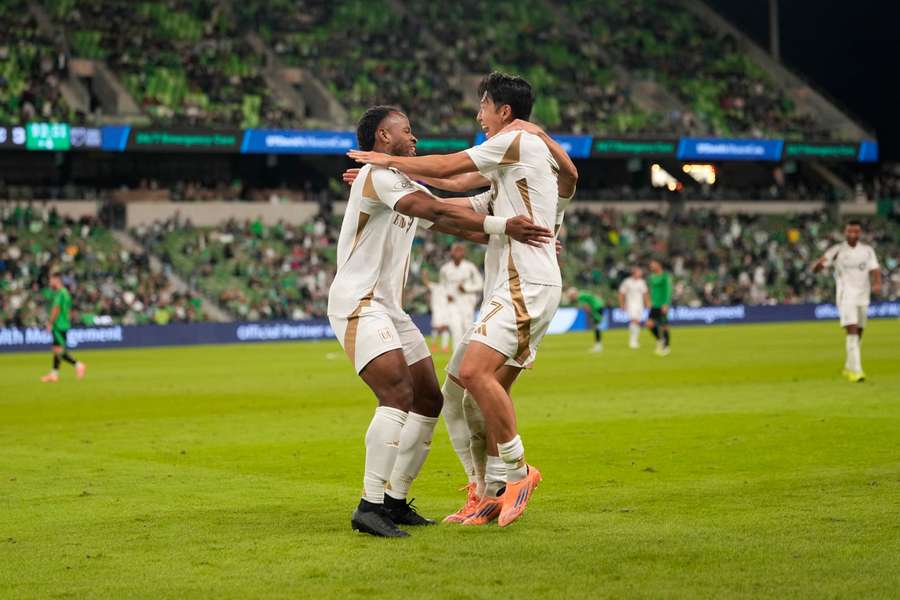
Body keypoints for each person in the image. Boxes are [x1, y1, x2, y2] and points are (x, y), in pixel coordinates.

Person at [348, 71, 577, 527]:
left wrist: (386, 164)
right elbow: (454, 197)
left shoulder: (517, 142)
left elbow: (450, 167)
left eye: (484, 108)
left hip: (525, 284)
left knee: (472, 373)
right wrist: (389, 184)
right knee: (456, 392)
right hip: (509, 286)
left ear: (505, 111)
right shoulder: (514, 171)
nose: (479, 117)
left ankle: (517, 471)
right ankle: (487, 492)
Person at [811, 220, 881, 382]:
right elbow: (818, 267)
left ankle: (849, 366)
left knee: (859, 333)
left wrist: (877, 283)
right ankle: (857, 371)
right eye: (850, 231)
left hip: (864, 296)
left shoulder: (867, 251)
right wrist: (818, 265)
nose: (852, 235)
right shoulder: (837, 250)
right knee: (852, 331)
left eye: (856, 232)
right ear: (845, 232)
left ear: (860, 233)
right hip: (846, 296)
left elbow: (875, 269)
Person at [41, 273, 86, 382]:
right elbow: (68, 310)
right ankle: (54, 374)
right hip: (64, 324)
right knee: (57, 350)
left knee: (59, 350)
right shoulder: (66, 293)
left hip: (59, 325)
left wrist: (50, 323)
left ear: (56, 280)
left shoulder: (60, 293)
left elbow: (56, 309)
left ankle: (78, 365)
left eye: (51, 280)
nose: (50, 282)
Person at [439, 243, 483, 350]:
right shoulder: (445, 269)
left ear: (464, 253)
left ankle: (468, 357)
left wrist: (467, 289)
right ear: (451, 253)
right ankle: (456, 361)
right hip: (453, 304)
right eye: (455, 250)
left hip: (467, 302)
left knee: (467, 330)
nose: (457, 252)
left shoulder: (470, 267)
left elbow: (480, 284)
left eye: (460, 250)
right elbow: (442, 286)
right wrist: (446, 295)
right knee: (456, 330)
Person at [618, 267, 650, 349]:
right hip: (630, 304)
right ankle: (633, 341)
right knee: (634, 320)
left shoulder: (642, 282)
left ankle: (634, 340)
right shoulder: (627, 282)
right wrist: (622, 304)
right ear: (634, 273)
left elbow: (645, 293)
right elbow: (621, 293)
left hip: (640, 305)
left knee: (637, 321)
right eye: (639, 272)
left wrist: (647, 303)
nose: (641, 274)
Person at [646, 259, 672, 356]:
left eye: (653, 265)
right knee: (649, 324)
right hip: (654, 305)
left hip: (662, 305)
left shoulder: (665, 276)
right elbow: (650, 290)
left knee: (664, 326)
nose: (651, 266)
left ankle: (666, 347)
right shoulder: (652, 277)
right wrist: (649, 301)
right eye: (650, 265)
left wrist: (666, 304)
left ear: (659, 265)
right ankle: (660, 340)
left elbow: (668, 290)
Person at [567, 287, 606, 352]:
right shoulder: (582, 293)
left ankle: (598, 346)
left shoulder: (579, 296)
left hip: (597, 308)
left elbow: (586, 306)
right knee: (596, 327)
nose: (571, 298)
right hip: (599, 305)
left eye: (571, 296)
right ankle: (598, 345)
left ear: (573, 294)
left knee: (596, 327)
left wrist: (591, 314)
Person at [421, 270, 450, 352]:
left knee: (445, 328)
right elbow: (426, 283)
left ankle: (445, 347)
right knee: (436, 328)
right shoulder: (435, 286)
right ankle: (433, 345)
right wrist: (425, 275)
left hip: (446, 310)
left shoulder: (449, 288)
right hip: (437, 310)